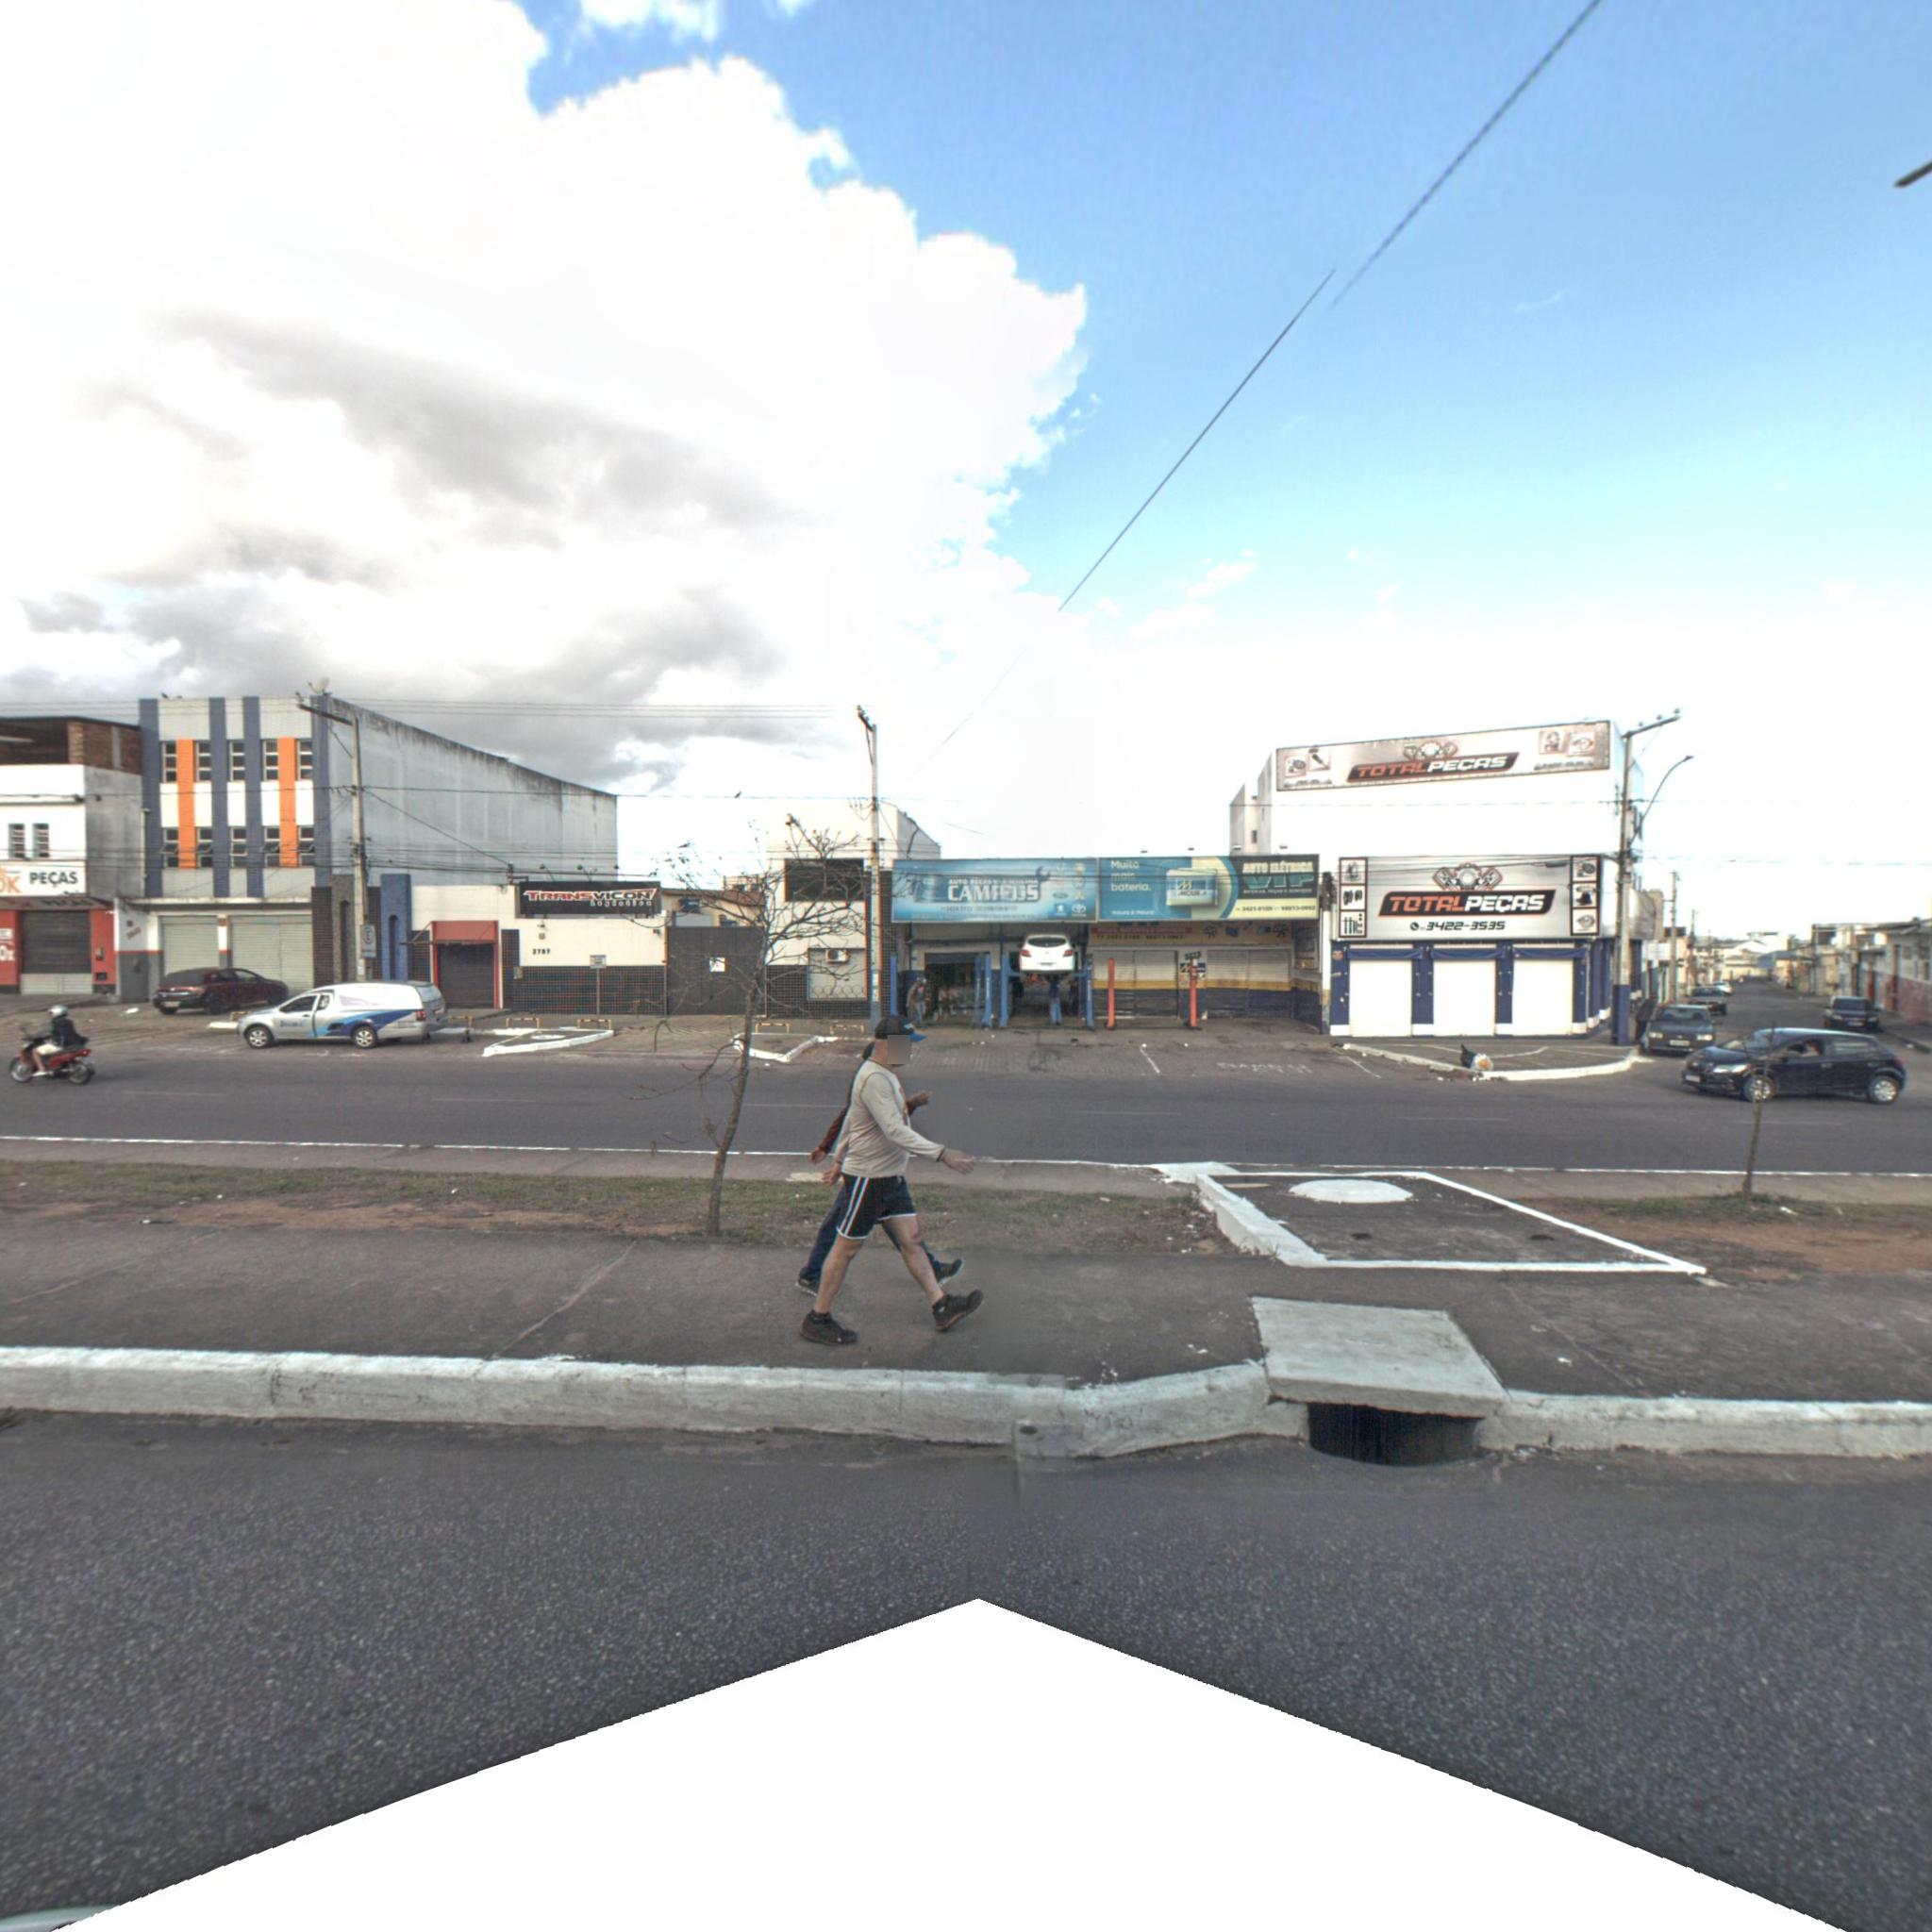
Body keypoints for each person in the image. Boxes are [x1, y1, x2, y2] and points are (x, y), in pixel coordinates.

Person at [801, 1017, 980, 1346]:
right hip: (869, 1179)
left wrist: (838, 1158)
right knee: (845, 1249)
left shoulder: (886, 1076)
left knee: (912, 1239)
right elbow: (894, 1131)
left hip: (889, 1178)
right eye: (905, 1043)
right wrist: (942, 1154)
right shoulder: (873, 1079)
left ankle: (941, 1305)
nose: (909, 1050)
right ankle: (817, 1319)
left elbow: (854, 1122)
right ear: (885, 1043)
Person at [797, 1058, 960, 1295]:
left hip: (880, 1173)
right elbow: (849, 1124)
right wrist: (832, 1156)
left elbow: (890, 1118)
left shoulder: (883, 1081)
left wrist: (910, 1104)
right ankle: (812, 1282)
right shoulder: (869, 1083)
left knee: (903, 1232)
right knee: (841, 1233)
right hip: (866, 1173)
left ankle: (934, 1277)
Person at [27, 1004, 87, 1077]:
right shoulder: (69, 1022)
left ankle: (42, 1069)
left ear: (57, 1013)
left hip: (59, 1045)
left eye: (52, 1013)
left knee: (35, 1051)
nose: (51, 1015)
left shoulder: (54, 1022)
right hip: (71, 1044)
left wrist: (32, 1036)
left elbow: (44, 1031)